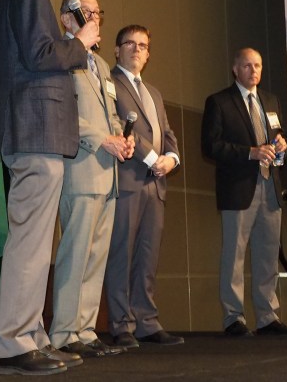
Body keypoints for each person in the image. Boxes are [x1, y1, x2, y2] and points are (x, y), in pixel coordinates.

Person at [0, 0, 100, 375]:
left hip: (32, 131)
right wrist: (81, 42)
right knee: (30, 244)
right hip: (34, 130)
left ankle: (31, 337)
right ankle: (16, 344)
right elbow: (40, 55)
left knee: (35, 243)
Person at [48, 0, 134, 358]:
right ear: (67, 18)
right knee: (76, 255)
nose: (95, 18)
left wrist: (123, 139)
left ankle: (84, 330)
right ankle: (63, 333)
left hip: (108, 174)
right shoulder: (61, 56)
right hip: (80, 171)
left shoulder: (99, 64)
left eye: (98, 12)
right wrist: (102, 139)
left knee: (96, 257)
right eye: (87, 12)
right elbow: (63, 114)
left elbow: (111, 114)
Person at [201, 48, 287, 337]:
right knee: (235, 255)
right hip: (238, 187)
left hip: (270, 186)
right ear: (235, 69)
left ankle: (267, 316)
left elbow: (277, 135)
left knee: (268, 254)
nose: (253, 71)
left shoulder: (271, 101)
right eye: (247, 66)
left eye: (258, 66)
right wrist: (250, 152)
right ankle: (234, 318)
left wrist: (282, 145)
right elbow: (210, 146)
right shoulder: (219, 102)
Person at [103, 25, 184, 348]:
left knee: (148, 257)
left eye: (143, 45)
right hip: (128, 180)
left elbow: (168, 134)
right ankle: (121, 324)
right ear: (116, 50)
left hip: (156, 183)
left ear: (149, 54)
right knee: (121, 255)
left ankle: (146, 322)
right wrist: (153, 158)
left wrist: (172, 159)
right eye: (130, 44)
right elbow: (121, 128)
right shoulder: (109, 82)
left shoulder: (154, 93)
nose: (137, 49)